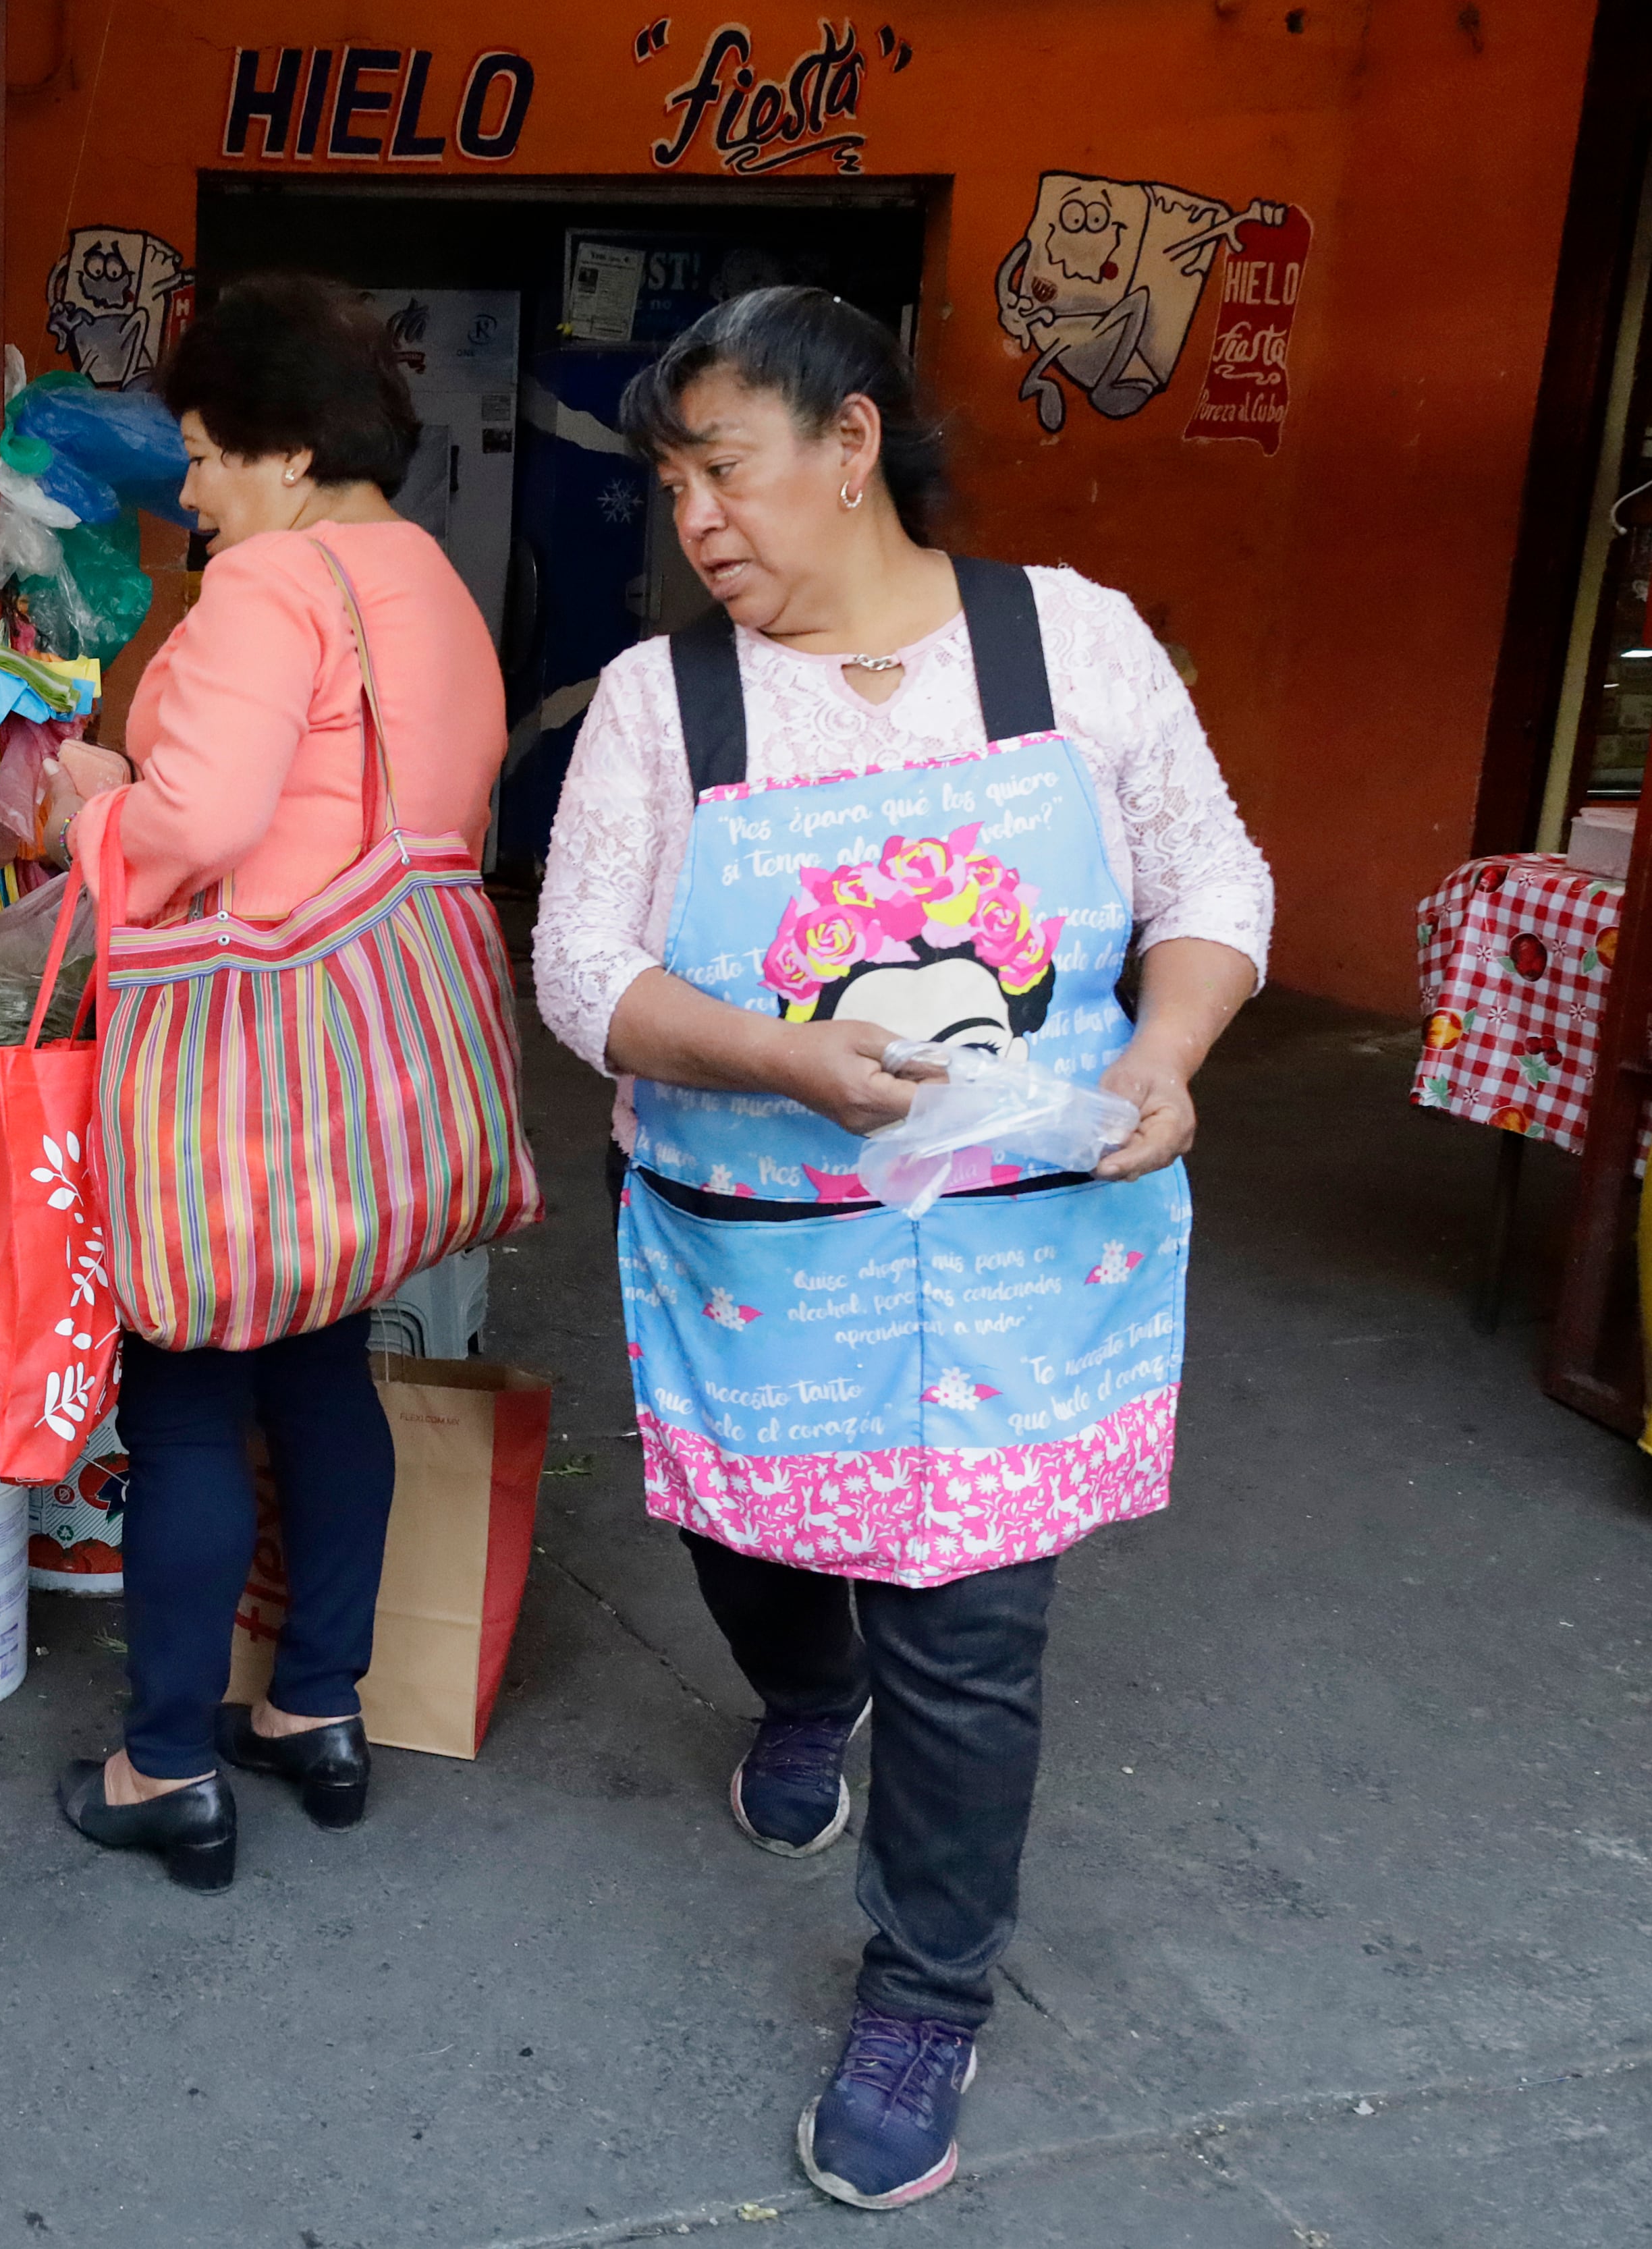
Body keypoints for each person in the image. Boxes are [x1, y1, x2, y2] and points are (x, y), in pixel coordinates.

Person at [532, 285, 1272, 2211]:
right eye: (672, 479)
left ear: (850, 444)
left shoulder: (1070, 644)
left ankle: (927, 1988)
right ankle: (798, 1681)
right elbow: (581, 968)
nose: (694, 514)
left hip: (1031, 1253)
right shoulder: (663, 699)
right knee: (750, 1535)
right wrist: (776, 1053)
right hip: (761, 1251)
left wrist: (1173, 1048)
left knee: (968, 1623)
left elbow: (1211, 875)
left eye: (726, 466)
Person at [36, 271, 513, 1892]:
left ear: (289, 452)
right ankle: (316, 1706)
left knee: (180, 1401)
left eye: (202, 452)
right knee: (318, 1373)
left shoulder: (268, 586)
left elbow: (198, 826)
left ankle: (163, 1762)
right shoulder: (431, 584)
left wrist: (91, 803)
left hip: (242, 1059)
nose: (186, 489)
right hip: (371, 1054)